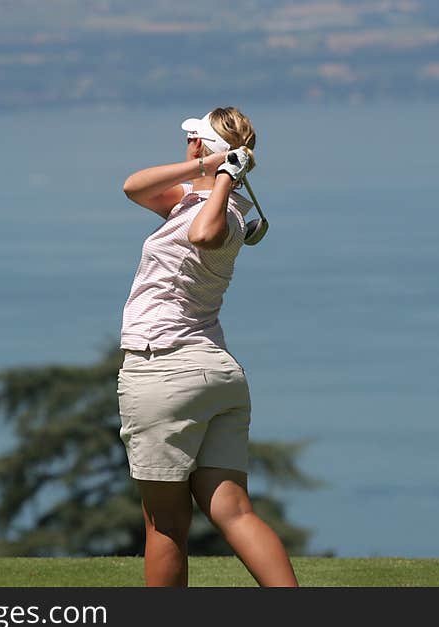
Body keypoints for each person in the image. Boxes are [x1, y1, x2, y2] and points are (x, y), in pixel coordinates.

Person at [117, 107, 299, 587]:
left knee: (166, 524)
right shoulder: (200, 205)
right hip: (217, 374)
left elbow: (202, 235)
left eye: (191, 142)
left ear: (199, 145)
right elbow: (134, 186)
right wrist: (212, 173)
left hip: (163, 369)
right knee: (234, 512)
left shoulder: (214, 215)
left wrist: (218, 179)